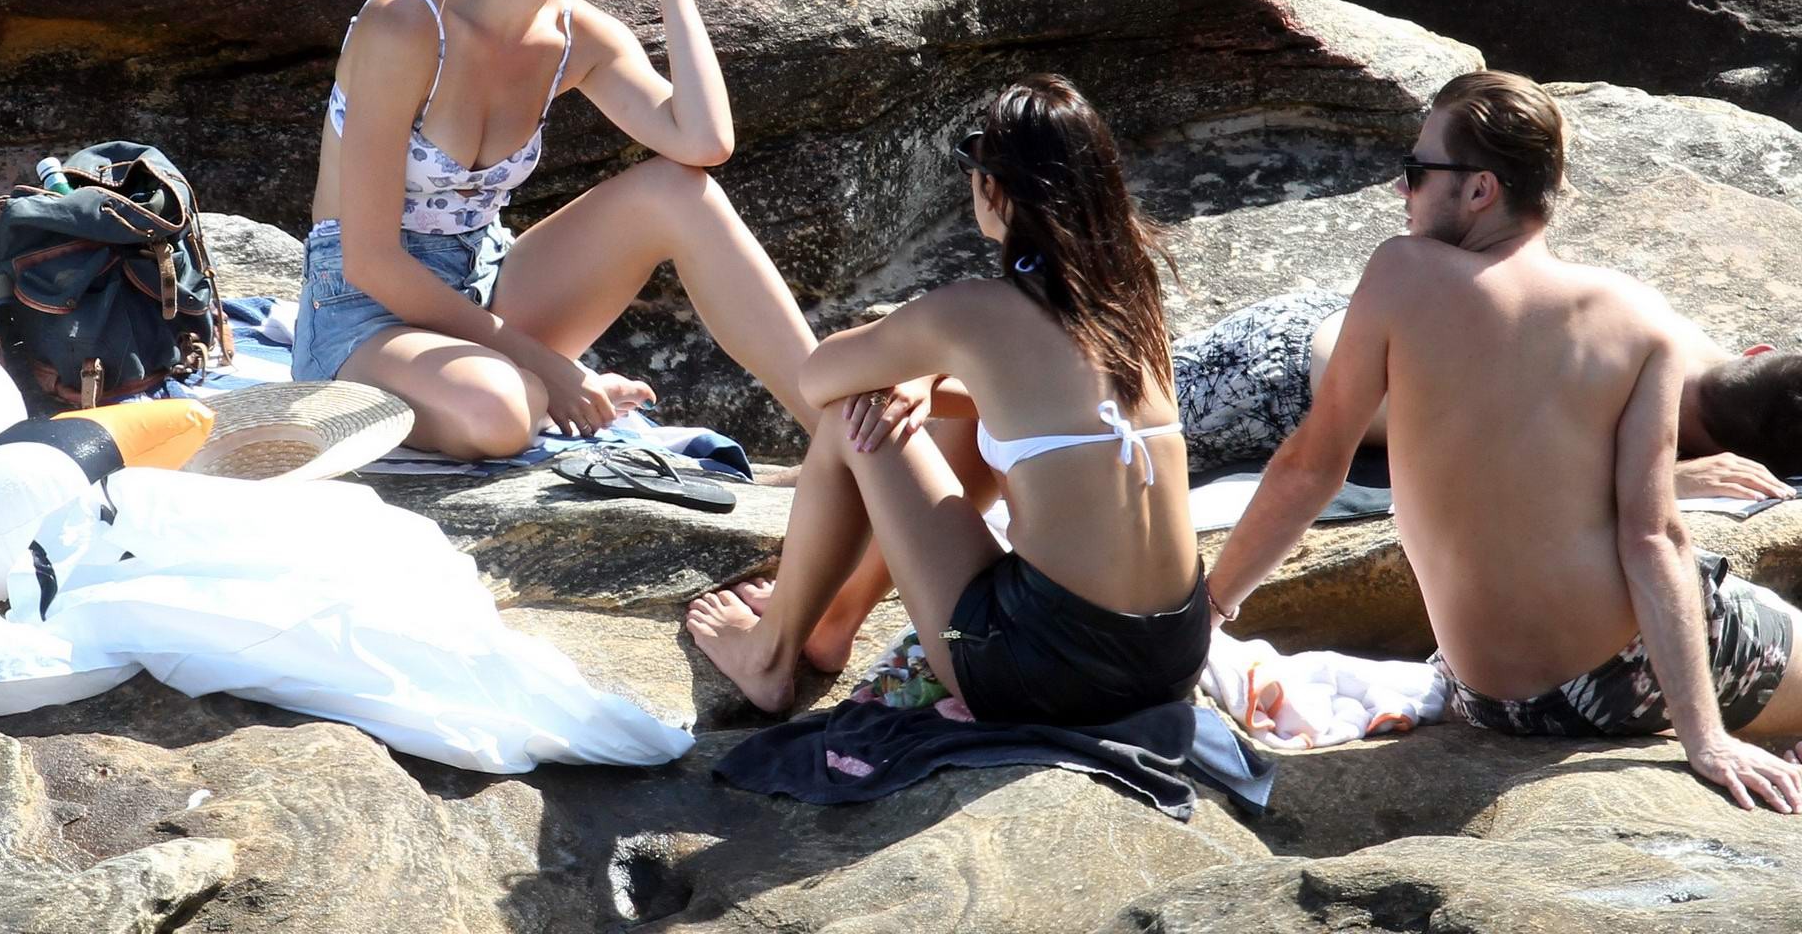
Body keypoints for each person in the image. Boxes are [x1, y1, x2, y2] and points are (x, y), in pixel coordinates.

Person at [1207, 70, 1802, 811]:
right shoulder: (1638, 320)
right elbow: (1655, 540)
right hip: (1613, 684)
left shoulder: (1400, 275)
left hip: (1485, 695)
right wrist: (1704, 739)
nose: (1404, 191)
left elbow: (1311, 465)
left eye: (1417, 172)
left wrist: (1207, 612)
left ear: (1481, 188)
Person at [293, 0, 817, 456]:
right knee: (501, 413)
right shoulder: (407, 22)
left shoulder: (581, 37)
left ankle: (836, 422)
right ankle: (524, 391)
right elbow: (369, 262)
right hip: (365, 312)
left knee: (679, 192)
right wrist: (552, 368)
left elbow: (705, 141)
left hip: (487, 289)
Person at [686, 75, 1210, 721]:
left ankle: (768, 654)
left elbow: (819, 378)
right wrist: (931, 380)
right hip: (1174, 659)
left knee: (858, 411)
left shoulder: (969, 315)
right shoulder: (1133, 301)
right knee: (951, 414)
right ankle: (835, 620)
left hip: (1025, 666)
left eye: (973, 157)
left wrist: (917, 361)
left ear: (994, 186)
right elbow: (1031, 408)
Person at [1178, 289, 1799, 501]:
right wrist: (1664, 482)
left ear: (1755, 354)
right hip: (1273, 382)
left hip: (1337, 325)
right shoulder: (1599, 411)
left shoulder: (1666, 327)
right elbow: (1501, 480)